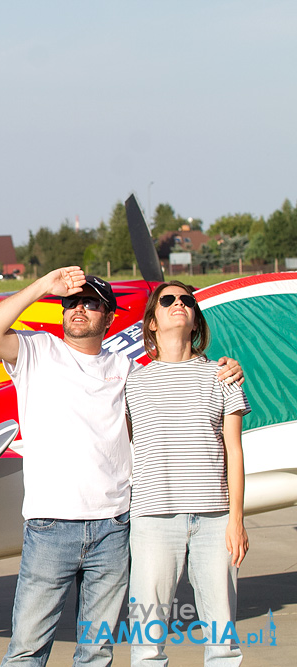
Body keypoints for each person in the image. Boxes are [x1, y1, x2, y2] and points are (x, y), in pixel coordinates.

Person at [0, 267, 241, 667]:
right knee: (27, 648)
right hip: (51, 526)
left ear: (109, 317)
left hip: (113, 528)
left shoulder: (130, 371)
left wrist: (228, 368)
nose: (78, 309)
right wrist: (44, 286)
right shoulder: (37, 351)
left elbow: (177, 389)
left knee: (97, 650)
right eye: (71, 303)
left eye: (90, 303)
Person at [125, 281, 249, 666]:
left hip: (215, 521)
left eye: (187, 301)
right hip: (152, 519)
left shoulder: (222, 377)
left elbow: (234, 450)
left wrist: (237, 520)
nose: (179, 304)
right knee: (147, 639)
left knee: (222, 638)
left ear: (195, 321)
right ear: (151, 323)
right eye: (168, 300)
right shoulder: (131, 382)